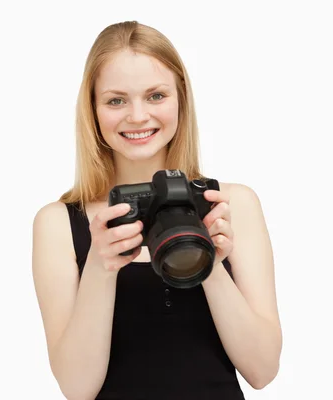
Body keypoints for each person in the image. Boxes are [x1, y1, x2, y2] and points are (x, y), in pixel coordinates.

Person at [31, 21, 282, 399]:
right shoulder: (59, 223)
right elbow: (77, 388)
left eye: (155, 96)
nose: (137, 116)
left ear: (180, 98)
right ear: (93, 110)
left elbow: (262, 370)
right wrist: (100, 266)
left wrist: (208, 262)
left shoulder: (232, 205)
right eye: (116, 100)